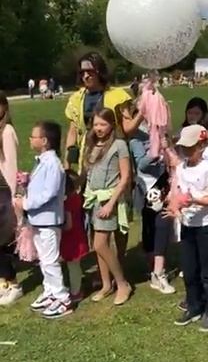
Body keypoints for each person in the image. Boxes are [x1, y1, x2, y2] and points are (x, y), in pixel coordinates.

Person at [14, 121, 73, 319]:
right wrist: (28, 181)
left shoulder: (53, 164)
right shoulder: (42, 162)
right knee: (44, 260)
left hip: (48, 220)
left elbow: (50, 192)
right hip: (39, 220)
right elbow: (42, 186)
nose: (30, 140)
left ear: (45, 141)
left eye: (34, 136)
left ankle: (62, 297)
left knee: (50, 260)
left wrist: (27, 203)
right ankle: (50, 292)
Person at [174, 125, 208, 332]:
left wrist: (194, 200)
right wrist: (176, 206)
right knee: (189, 270)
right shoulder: (180, 168)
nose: (185, 151)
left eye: (190, 147)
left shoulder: (207, 169)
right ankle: (194, 305)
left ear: (201, 146)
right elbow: (177, 191)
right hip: (187, 225)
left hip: (205, 227)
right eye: (183, 148)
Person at [83, 108, 131, 306]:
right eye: (96, 124)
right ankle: (106, 284)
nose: (99, 128)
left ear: (112, 124)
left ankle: (122, 283)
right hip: (94, 200)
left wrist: (111, 202)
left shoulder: (119, 145)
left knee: (100, 244)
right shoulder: (93, 144)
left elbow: (125, 176)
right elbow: (90, 173)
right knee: (98, 244)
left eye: (103, 124)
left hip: (109, 199)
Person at [65, 52, 133, 172]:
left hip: (113, 155)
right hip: (86, 155)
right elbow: (72, 131)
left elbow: (128, 129)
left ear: (99, 71)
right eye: (82, 73)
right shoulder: (76, 99)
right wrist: (67, 166)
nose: (85, 76)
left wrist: (143, 111)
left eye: (90, 72)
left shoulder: (118, 96)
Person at [129, 118, 175, 295]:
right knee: (149, 227)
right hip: (147, 187)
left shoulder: (162, 130)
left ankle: (158, 270)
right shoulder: (136, 138)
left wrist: (167, 146)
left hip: (163, 182)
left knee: (163, 224)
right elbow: (141, 163)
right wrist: (155, 152)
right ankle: (154, 268)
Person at [0, 92, 21, 306]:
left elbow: (11, 166)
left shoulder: (6, 131)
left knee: (3, 241)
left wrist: (11, 196)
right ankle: (3, 281)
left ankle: (14, 284)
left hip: (4, 192)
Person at [61, 170, 89, 303]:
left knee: (73, 266)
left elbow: (68, 225)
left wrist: (59, 228)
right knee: (75, 266)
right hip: (78, 237)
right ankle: (77, 287)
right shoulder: (77, 198)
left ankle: (75, 292)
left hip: (71, 240)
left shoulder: (67, 203)